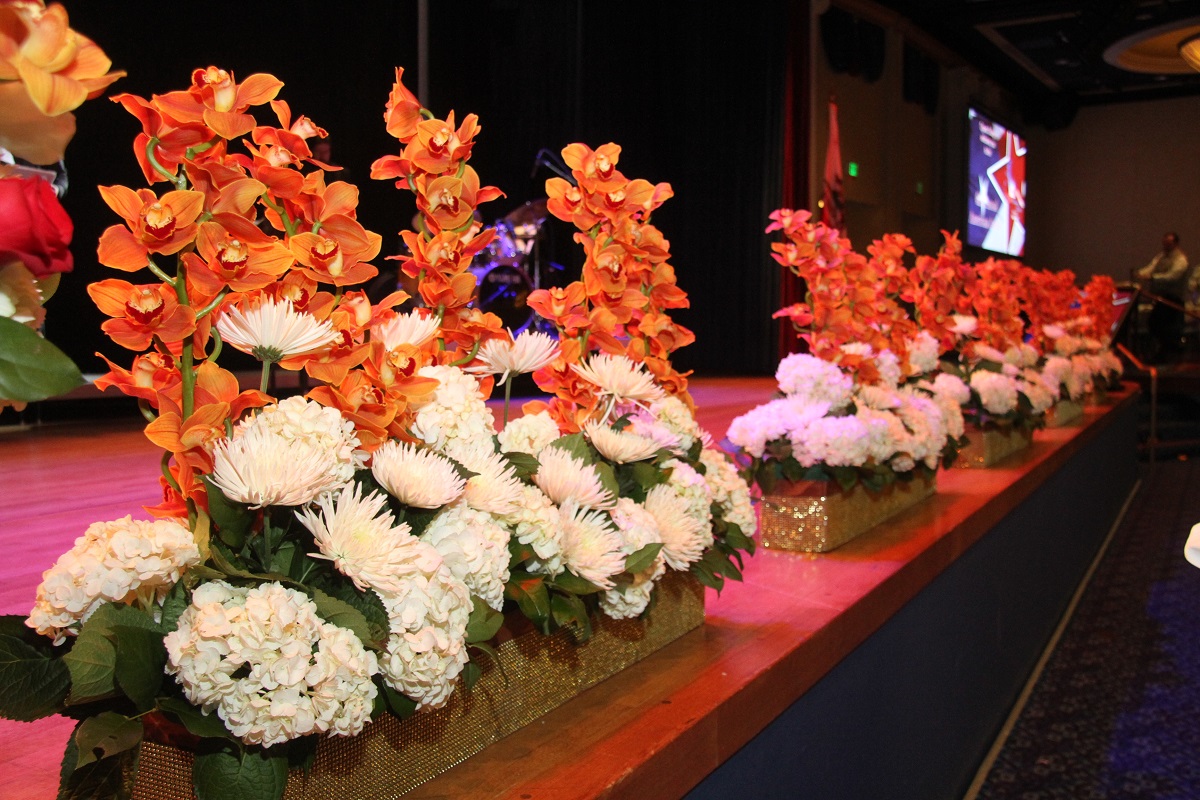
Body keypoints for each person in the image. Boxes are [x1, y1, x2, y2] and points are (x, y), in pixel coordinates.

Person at [1136, 232, 1189, 362]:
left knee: (1167, 329)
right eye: (1164, 243)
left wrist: (1153, 278)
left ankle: (1169, 355)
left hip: (1173, 300)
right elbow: (1151, 268)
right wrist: (1139, 274)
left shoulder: (1181, 260)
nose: (1165, 246)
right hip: (1161, 299)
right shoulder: (1161, 257)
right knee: (1155, 324)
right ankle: (1164, 353)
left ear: (1175, 244)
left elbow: (1172, 277)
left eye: (1168, 244)